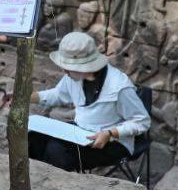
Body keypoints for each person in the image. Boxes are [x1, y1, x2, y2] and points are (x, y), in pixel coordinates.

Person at [29, 32, 150, 172]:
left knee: (56, 151)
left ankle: (56, 184)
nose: (64, 71)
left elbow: (142, 121)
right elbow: (59, 94)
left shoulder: (119, 86)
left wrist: (110, 133)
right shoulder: (73, 76)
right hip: (81, 132)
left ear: (85, 66)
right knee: (33, 139)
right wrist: (26, 97)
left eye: (68, 67)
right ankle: (34, 180)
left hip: (113, 141)